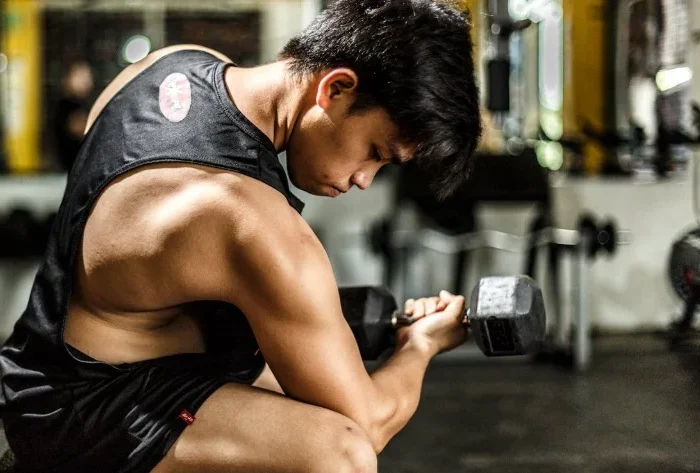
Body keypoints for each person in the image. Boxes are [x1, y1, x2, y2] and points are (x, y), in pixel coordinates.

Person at [0, 1, 482, 472]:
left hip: (37, 364)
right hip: (79, 413)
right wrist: (420, 344)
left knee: (298, 384)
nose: (363, 179)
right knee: (339, 452)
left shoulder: (172, 63)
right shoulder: (248, 221)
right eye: (375, 152)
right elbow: (370, 421)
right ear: (335, 88)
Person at [52, 60, 94, 171]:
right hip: (68, 171)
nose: (86, 80)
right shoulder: (66, 105)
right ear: (68, 79)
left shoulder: (84, 104)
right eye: (80, 76)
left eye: (87, 76)